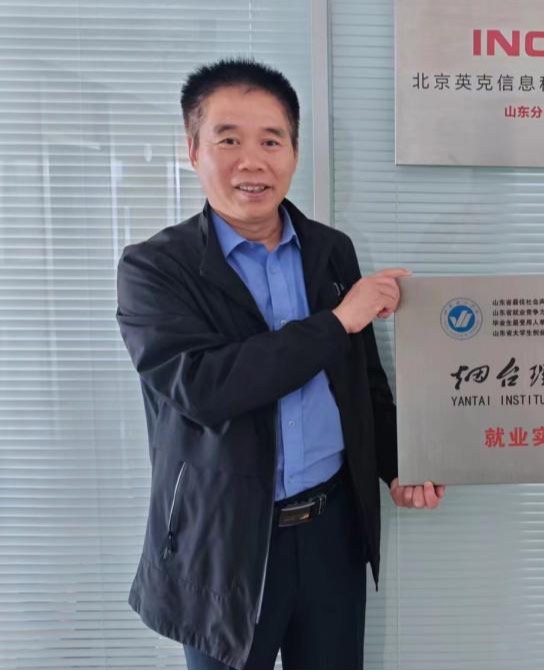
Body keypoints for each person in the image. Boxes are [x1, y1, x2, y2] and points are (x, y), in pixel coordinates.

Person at [116, 59, 442, 669]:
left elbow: (363, 386)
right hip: (226, 543)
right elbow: (205, 388)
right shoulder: (155, 269)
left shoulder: (330, 250)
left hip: (331, 531)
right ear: (193, 150)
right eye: (228, 140)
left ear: (293, 151)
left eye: (271, 141)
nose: (252, 161)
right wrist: (337, 322)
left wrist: (402, 466)